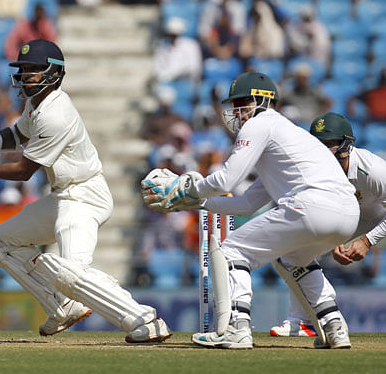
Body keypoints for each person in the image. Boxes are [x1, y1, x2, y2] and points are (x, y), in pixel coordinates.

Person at [0, 39, 171, 343]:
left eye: (34, 70)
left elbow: (25, 171)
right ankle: (62, 306)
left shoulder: (56, 114)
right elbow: (17, 134)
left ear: (54, 73)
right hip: (64, 196)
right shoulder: (36, 105)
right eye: (23, 70)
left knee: (68, 272)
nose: (26, 77)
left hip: (84, 197)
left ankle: (145, 319)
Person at [141, 72, 359, 349]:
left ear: (262, 100)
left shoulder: (259, 124)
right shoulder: (288, 140)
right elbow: (247, 203)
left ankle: (237, 326)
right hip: (347, 213)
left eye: (242, 102)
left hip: (312, 205)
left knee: (232, 250)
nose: (236, 110)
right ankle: (334, 325)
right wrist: (198, 203)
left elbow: (226, 180)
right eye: (235, 104)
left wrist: (185, 188)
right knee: (294, 259)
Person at [270, 112, 386, 337]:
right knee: (293, 249)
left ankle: (319, 315)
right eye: (318, 145)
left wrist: (367, 240)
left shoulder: (372, 169)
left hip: (378, 219)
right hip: (346, 218)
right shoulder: (312, 170)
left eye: (330, 145)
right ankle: (302, 321)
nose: (324, 152)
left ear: (346, 145)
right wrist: (336, 237)